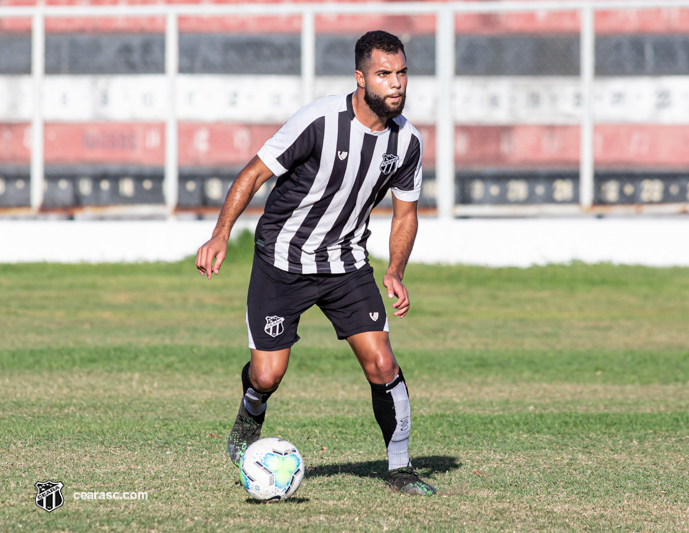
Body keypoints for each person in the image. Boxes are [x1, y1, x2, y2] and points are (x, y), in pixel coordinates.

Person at [196, 30, 435, 496]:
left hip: (346, 265)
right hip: (281, 261)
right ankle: (251, 409)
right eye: (384, 74)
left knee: (383, 364)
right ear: (360, 77)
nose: (397, 84)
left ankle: (400, 468)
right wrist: (221, 234)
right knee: (268, 375)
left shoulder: (407, 143)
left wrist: (395, 270)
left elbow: (405, 214)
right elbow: (254, 173)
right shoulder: (320, 121)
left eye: (402, 73)